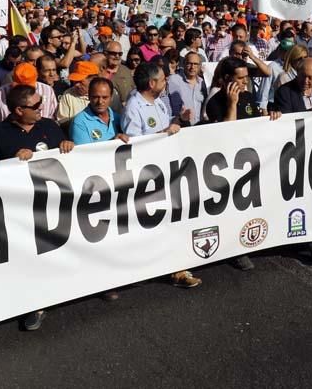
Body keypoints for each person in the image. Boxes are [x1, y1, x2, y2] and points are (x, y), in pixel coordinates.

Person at [0, 85, 73, 333]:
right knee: (29, 259)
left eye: (40, 102)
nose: (41, 107)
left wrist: (66, 146)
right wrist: (3, 161)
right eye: (35, 105)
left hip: (55, 204)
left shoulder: (50, 127)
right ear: (19, 110)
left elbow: (68, 157)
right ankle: (35, 304)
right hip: (20, 211)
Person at [121, 63, 201, 287]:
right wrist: (165, 132)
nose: (167, 82)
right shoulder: (133, 108)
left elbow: (167, 130)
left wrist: (180, 120)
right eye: (164, 79)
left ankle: (177, 268)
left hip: (168, 172)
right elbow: (133, 146)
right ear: (151, 83)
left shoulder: (158, 102)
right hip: (148, 179)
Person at [201, 57, 281, 270]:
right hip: (226, 165)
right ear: (227, 79)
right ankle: (235, 250)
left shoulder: (248, 96)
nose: (245, 82)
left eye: (247, 77)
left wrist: (269, 116)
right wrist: (232, 104)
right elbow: (228, 132)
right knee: (232, 209)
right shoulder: (215, 102)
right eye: (241, 78)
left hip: (249, 160)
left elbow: (255, 124)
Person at [70, 78, 127, 146]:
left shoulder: (118, 118)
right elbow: (84, 153)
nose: (100, 102)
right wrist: (113, 143)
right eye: (96, 97)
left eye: (105, 97)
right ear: (89, 97)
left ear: (111, 97)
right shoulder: (80, 122)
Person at [167, 52, 207, 126]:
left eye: (195, 64)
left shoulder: (203, 83)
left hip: (199, 127)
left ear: (200, 66)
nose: (192, 67)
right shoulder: (173, 80)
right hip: (179, 126)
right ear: (184, 64)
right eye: (189, 63)